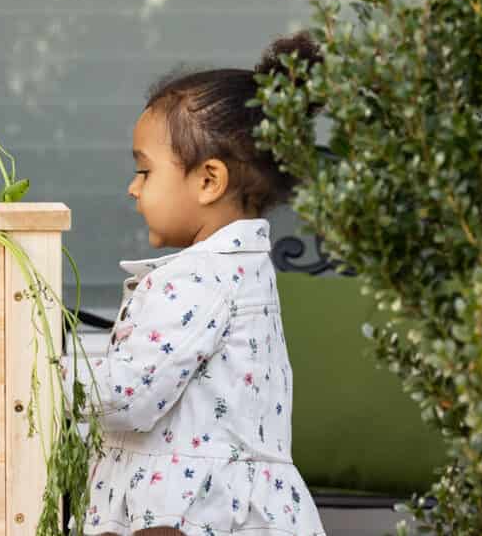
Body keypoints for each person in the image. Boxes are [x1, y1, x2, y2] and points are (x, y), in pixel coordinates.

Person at [86, 33, 329, 536]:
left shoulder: (200, 279)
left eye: (144, 170)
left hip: (198, 519)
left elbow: (128, 397)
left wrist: (40, 376)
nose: (133, 187)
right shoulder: (235, 271)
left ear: (207, 181)